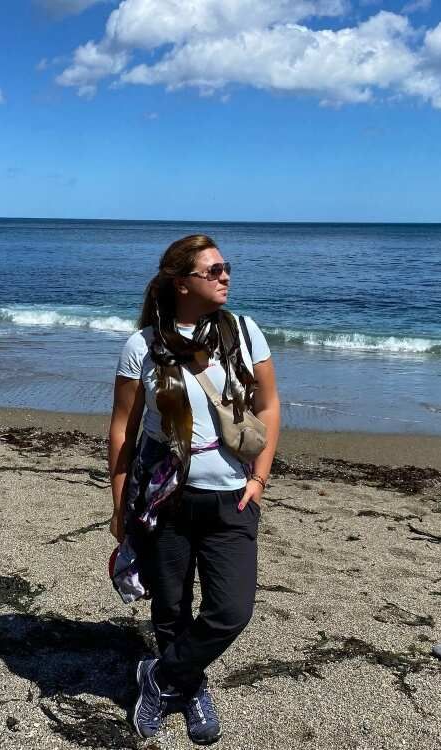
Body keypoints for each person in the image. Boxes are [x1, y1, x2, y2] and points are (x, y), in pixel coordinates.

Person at [108, 234, 280, 745]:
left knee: (231, 611)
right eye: (213, 270)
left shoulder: (244, 332)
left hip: (233, 497)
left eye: (226, 268)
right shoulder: (142, 346)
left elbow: (268, 407)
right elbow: (122, 429)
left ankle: (160, 676)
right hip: (164, 498)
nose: (225, 276)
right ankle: (187, 686)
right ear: (182, 283)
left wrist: (259, 478)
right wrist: (119, 505)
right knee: (170, 608)